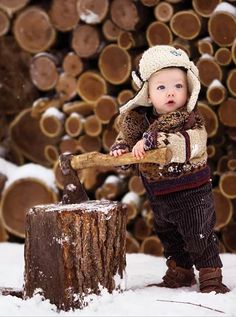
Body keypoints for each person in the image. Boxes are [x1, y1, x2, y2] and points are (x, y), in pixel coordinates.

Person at [110, 45, 230, 294]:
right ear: (148, 94)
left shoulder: (190, 120)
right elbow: (127, 139)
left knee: (198, 235)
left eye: (178, 86)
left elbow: (190, 144)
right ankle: (180, 270)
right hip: (159, 194)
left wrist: (156, 141)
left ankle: (210, 275)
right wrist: (122, 150)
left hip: (191, 192)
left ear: (188, 89)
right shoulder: (139, 120)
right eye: (161, 87)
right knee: (170, 236)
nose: (170, 93)